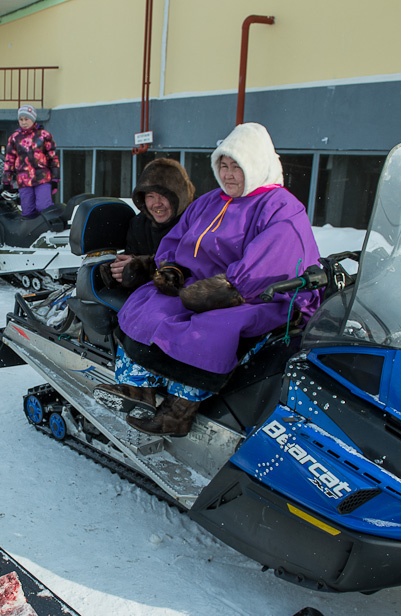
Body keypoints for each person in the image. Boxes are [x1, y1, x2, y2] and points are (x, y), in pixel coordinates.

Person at [95, 123, 321, 436]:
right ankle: (139, 388)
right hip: (195, 286)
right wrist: (171, 268)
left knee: (210, 330)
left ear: (256, 166)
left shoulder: (279, 207)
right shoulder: (210, 201)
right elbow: (175, 239)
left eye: (237, 167)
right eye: (223, 166)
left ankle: (178, 412)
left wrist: (223, 290)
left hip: (254, 295)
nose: (228, 175)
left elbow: (272, 261)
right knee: (149, 305)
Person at [99, 158, 195, 291]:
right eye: (151, 196)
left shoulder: (195, 222)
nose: (157, 203)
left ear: (179, 195)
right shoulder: (139, 224)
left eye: (163, 195)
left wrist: (144, 268)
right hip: (147, 293)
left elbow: (193, 267)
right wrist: (119, 269)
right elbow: (133, 258)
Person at [2, 105, 59, 219]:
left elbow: (53, 158)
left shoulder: (44, 136)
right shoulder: (14, 138)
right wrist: (6, 181)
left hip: (42, 178)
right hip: (24, 180)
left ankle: (48, 228)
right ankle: (31, 234)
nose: (23, 122)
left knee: (43, 206)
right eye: (21, 119)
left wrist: (55, 178)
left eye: (26, 119)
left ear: (33, 119)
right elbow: (9, 160)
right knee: (27, 211)